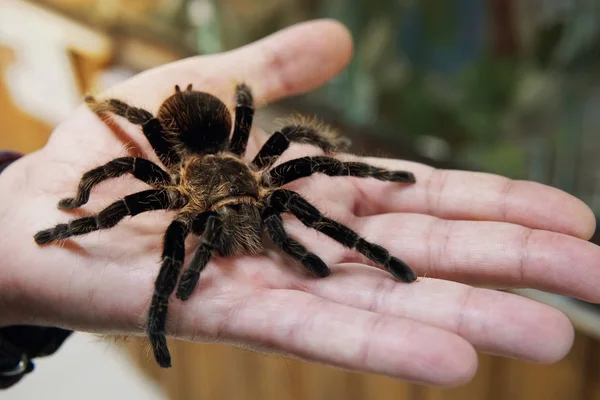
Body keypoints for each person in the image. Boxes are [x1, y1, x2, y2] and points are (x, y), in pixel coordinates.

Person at [0, 19, 598, 389]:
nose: (245, 223)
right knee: (146, 203)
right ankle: (142, 307)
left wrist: (372, 171)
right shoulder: (166, 175)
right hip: (193, 158)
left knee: (312, 165)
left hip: (225, 161)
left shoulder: (266, 174)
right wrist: (67, 215)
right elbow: (129, 179)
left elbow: (315, 153)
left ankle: (380, 249)